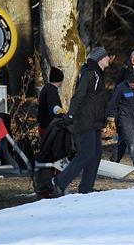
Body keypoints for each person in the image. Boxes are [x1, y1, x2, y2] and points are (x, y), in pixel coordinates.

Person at [51, 47, 111, 196]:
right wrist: (71, 115)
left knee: (96, 154)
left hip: (95, 121)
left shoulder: (98, 74)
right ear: (100, 59)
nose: (109, 58)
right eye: (106, 56)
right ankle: (60, 181)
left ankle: (86, 187)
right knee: (86, 153)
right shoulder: (90, 74)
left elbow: (97, 100)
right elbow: (79, 95)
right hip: (86, 120)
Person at [36, 67, 66, 140]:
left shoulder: (47, 88)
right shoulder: (51, 91)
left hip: (44, 126)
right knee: (50, 149)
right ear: (60, 79)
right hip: (48, 127)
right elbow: (53, 105)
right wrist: (60, 112)